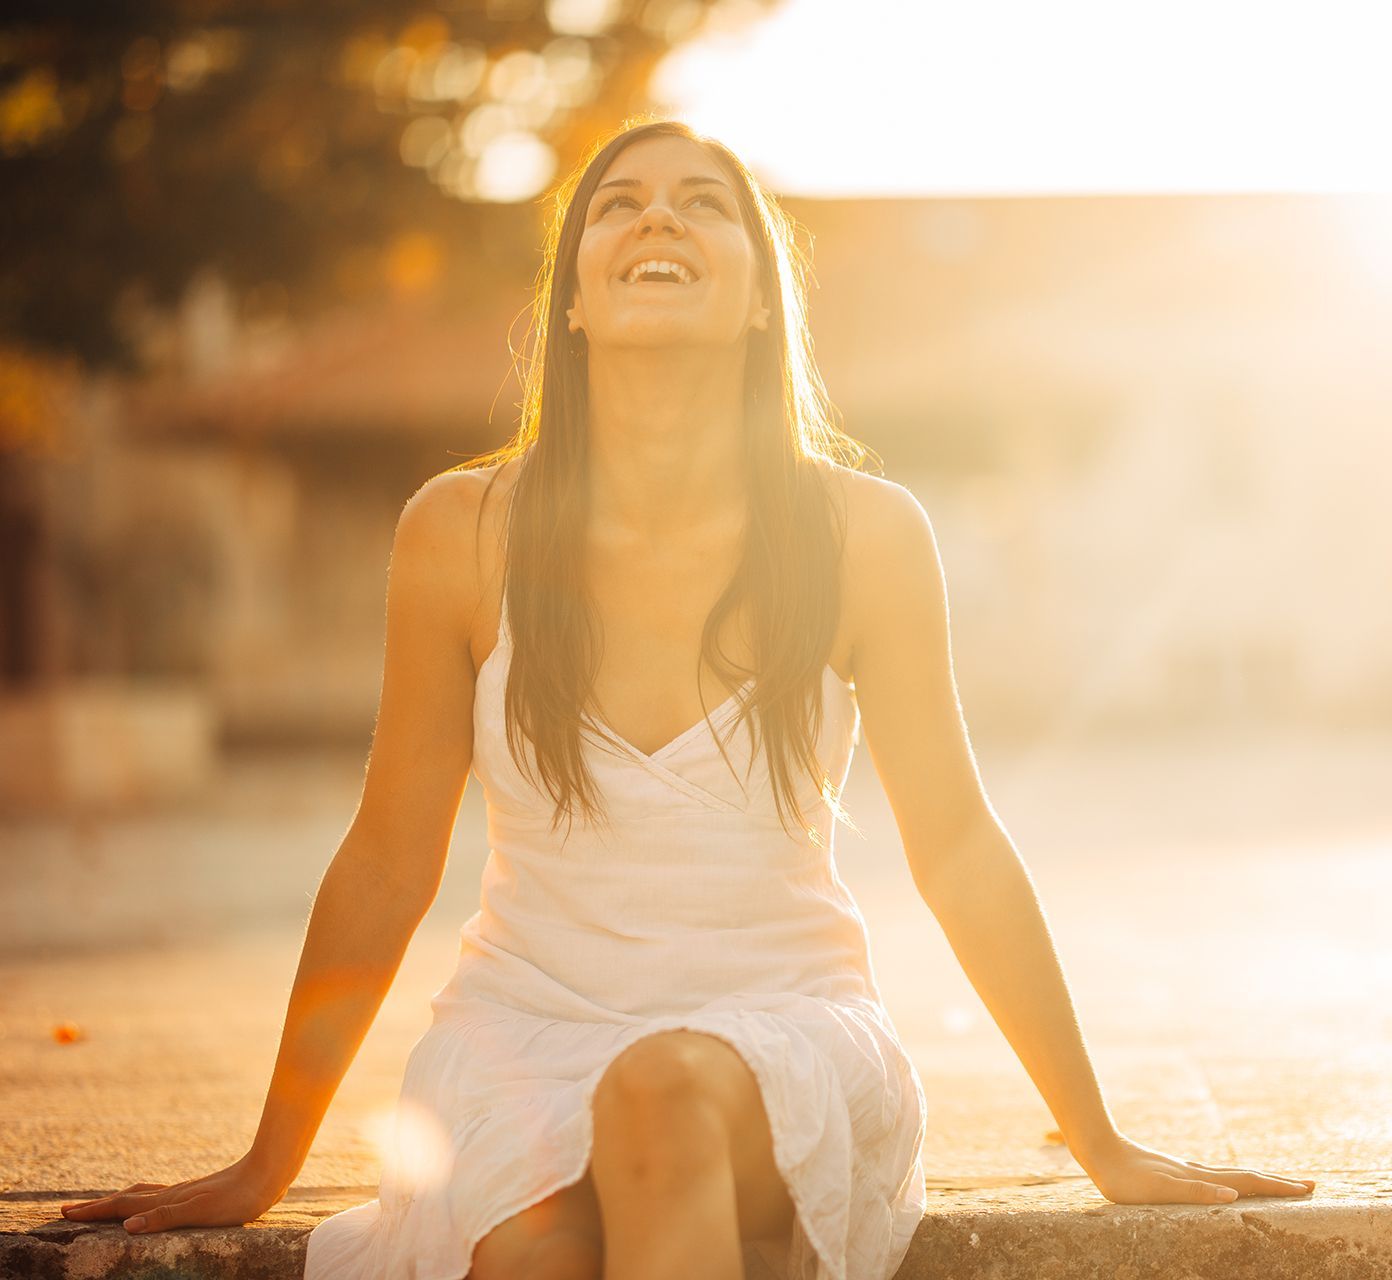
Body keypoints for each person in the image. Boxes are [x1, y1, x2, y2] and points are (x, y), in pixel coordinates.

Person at [59, 118, 1316, 1280]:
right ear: (577, 301)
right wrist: (264, 1159)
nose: (657, 220)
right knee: (536, 1244)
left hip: (786, 1035)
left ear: (763, 297)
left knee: (658, 1093)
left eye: (703, 203)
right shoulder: (460, 530)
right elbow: (389, 855)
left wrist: (1099, 1138)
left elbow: (960, 844)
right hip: (523, 1034)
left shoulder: (862, 534)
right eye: (619, 206)